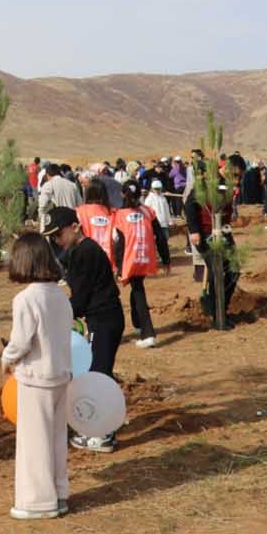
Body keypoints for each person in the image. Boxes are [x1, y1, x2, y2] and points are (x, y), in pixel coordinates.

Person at [2, 230, 73, 520]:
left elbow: (20, 342)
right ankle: (58, 493)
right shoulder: (60, 295)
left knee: (34, 442)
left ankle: (36, 502)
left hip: (35, 378)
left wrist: (6, 359)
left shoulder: (25, 299)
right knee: (56, 439)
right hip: (60, 375)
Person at [44, 205, 124, 453]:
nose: (56, 240)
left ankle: (103, 433)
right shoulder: (82, 251)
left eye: (58, 235)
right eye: (52, 237)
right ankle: (100, 427)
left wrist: (57, 315)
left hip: (104, 319)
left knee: (98, 376)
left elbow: (79, 299)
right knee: (98, 372)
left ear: (75, 227)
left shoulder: (84, 253)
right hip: (102, 318)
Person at [110, 192, 161, 348]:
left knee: (138, 292)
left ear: (122, 194)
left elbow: (119, 243)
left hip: (131, 258)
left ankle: (148, 332)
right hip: (145, 256)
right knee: (137, 289)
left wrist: (118, 266)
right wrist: (165, 258)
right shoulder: (147, 211)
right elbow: (159, 234)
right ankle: (138, 323)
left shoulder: (120, 214)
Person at [36, 163, 81, 230]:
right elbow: (80, 204)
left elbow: (42, 205)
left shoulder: (49, 185)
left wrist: (41, 220)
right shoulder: (72, 185)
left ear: (47, 175)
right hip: (74, 219)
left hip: (60, 221)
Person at [142, 178, 173, 271]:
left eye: (159, 188)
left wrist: (169, 221)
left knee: (165, 240)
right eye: (156, 189)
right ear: (152, 189)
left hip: (164, 223)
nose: (158, 190)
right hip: (155, 224)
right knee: (155, 242)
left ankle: (163, 256)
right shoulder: (149, 199)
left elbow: (167, 210)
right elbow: (146, 212)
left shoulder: (163, 198)